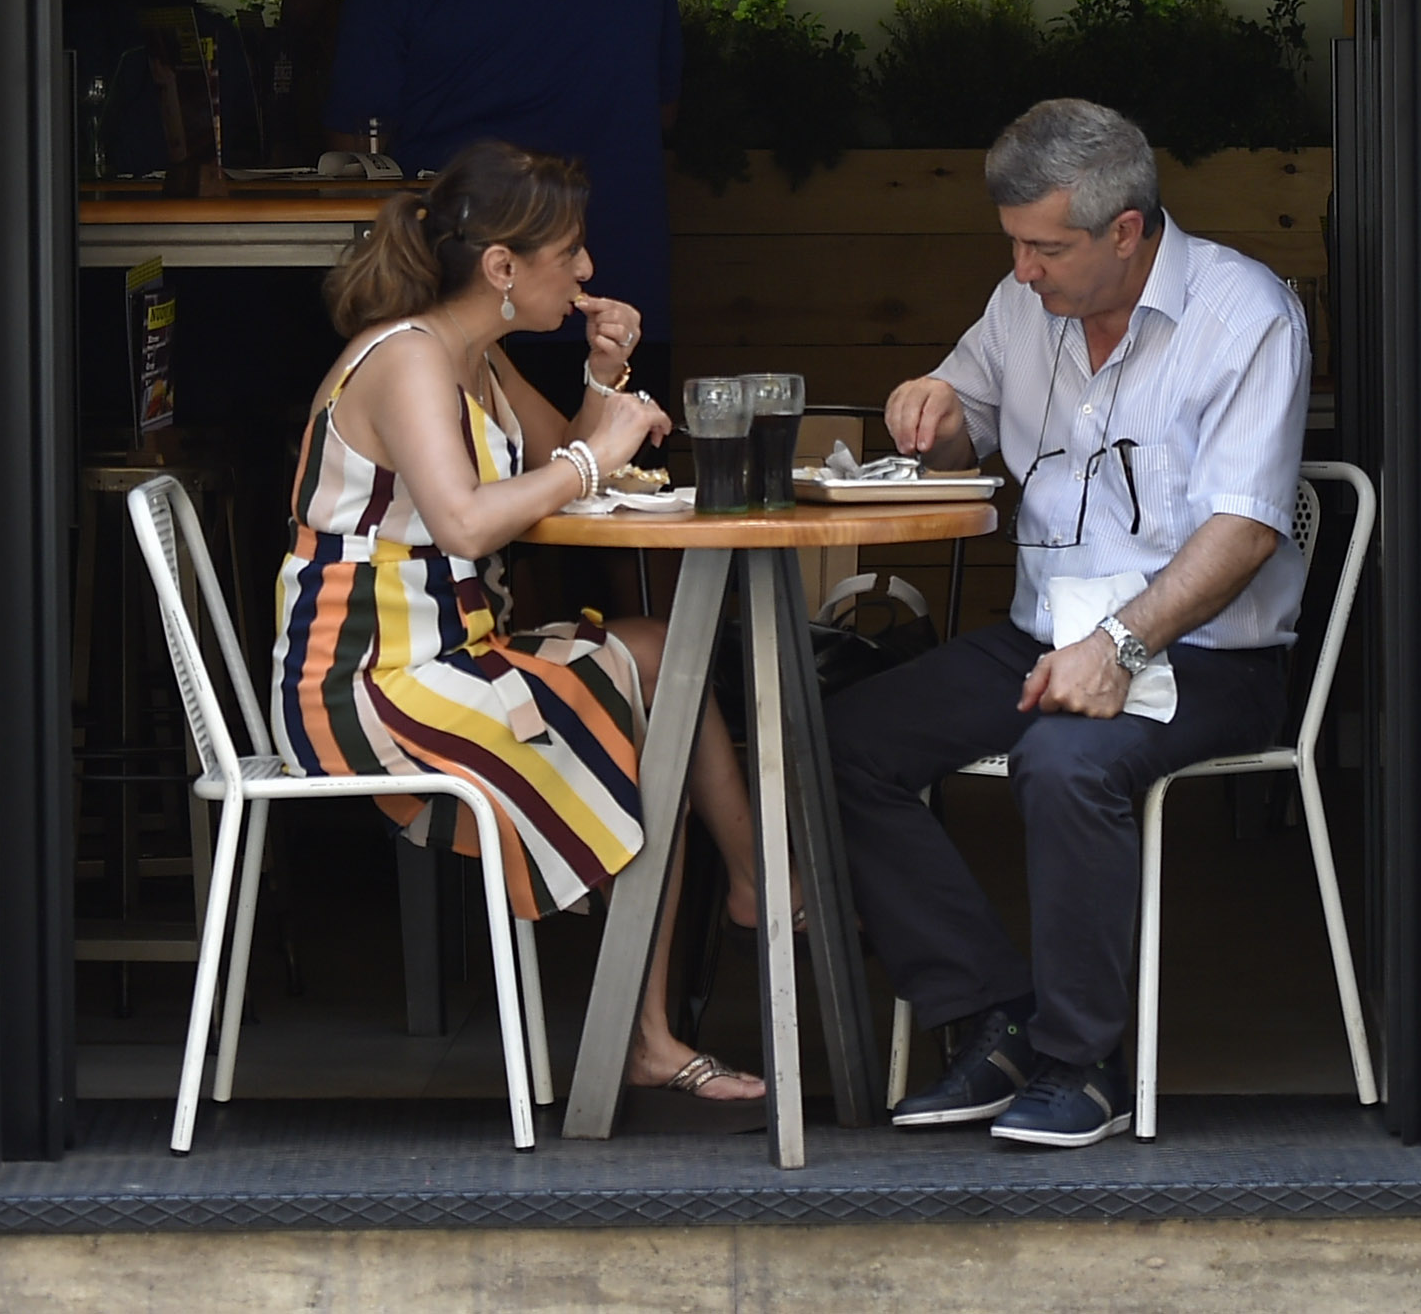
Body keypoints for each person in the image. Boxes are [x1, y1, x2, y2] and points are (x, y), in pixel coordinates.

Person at [828, 98, 1312, 1150]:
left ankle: (1081, 1060)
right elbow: (958, 427)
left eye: (1045, 247)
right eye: (1012, 244)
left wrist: (1122, 645)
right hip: (1043, 630)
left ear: (1126, 230)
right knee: (848, 740)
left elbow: (1244, 531)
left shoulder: (1244, 313)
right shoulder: (1021, 305)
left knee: (1064, 762)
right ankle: (994, 1012)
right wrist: (935, 412)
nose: (1022, 270)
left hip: (1203, 650)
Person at [272, 138, 772, 1112]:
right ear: (502, 267)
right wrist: (598, 457)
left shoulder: (477, 359)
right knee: (622, 726)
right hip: (370, 683)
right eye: (570, 252)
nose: (587, 271)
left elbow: (572, 457)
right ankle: (655, 1028)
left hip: (452, 653)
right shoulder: (409, 359)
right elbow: (470, 516)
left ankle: (754, 881)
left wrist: (604, 373)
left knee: (658, 653)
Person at [302, 0, 684, 409]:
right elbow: (665, 113)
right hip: (617, 299)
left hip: (462, 306)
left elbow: (349, 151)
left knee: (464, 506)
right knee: (624, 499)